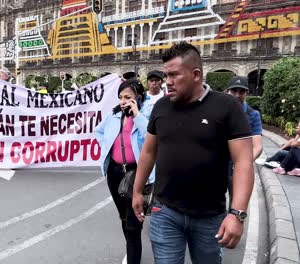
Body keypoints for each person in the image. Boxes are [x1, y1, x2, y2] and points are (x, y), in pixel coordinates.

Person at [132, 42, 254, 264]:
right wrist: (137, 191)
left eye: (174, 75)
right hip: (164, 211)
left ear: (196, 74)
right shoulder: (161, 107)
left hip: (210, 216)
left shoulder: (227, 107)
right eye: (166, 75)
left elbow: (243, 161)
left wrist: (237, 214)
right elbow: (149, 152)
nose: (167, 82)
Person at [95, 79, 155, 264]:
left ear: (139, 97)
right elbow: (99, 131)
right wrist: (107, 148)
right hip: (114, 172)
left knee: (133, 223)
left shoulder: (147, 114)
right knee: (123, 217)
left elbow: (152, 137)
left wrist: (136, 115)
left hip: (137, 173)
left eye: (128, 97)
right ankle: (132, 247)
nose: (123, 101)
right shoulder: (114, 115)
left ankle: (133, 254)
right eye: (121, 97)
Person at [225, 75, 263, 208]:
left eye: (241, 91)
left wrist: (243, 164)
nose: (237, 95)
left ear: (247, 93)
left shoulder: (253, 115)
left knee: (235, 207)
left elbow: (258, 147)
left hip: (237, 167)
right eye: (234, 91)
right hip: (217, 164)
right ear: (227, 91)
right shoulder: (219, 112)